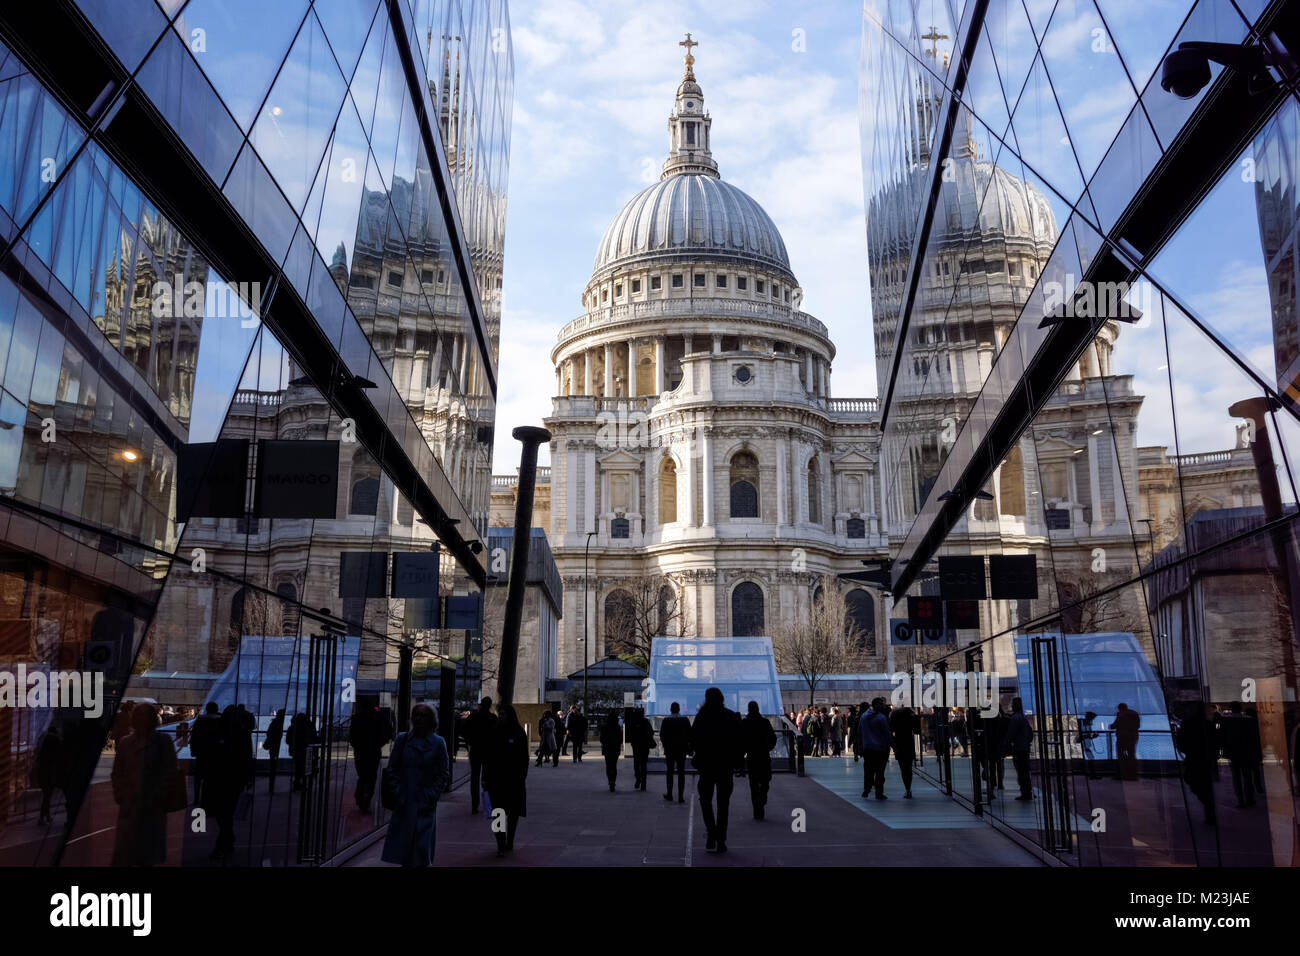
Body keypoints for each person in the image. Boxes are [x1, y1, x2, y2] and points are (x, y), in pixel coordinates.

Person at [380, 704, 451, 867]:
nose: (419, 718)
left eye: (423, 715)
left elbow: (443, 773)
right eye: (416, 715)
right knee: (404, 851)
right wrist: (398, 793)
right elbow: (392, 769)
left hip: (424, 804)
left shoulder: (439, 743)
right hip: (404, 803)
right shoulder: (402, 739)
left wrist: (431, 796)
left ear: (431, 720)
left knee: (421, 851)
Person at [110, 704, 178, 866]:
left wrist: (156, 795)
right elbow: (117, 772)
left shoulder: (130, 743)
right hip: (136, 804)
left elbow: (169, 772)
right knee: (135, 851)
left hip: (148, 804)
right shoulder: (159, 742)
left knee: (140, 852)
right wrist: (122, 795)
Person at [690, 687, 743, 852]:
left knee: (705, 800)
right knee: (723, 804)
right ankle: (721, 839)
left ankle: (711, 832)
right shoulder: (730, 716)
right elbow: (738, 741)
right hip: (725, 765)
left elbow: (694, 741)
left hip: (706, 765)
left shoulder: (702, 716)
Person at [205, 705, 254, 864]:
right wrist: (248, 777)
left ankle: (223, 843)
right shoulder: (243, 734)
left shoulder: (217, 732)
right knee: (227, 811)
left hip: (219, 778)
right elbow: (248, 757)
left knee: (222, 812)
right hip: (235, 778)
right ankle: (227, 839)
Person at [483, 705, 529, 856]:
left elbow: (524, 758)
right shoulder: (493, 732)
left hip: (513, 779)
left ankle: (509, 840)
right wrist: (485, 778)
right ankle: (501, 844)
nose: (500, 716)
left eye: (503, 714)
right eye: (499, 714)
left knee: (513, 813)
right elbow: (488, 758)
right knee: (498, 813)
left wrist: (522, 775)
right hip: (496, 780)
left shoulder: (519, 733)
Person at [1175, 703, 1217, 824]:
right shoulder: (1207, 724)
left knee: (1193, 782)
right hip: (1205, 759)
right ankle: (1209, 810)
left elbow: (1181, 741)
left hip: (1193, 758)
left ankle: (1208, 808)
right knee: (1203, 785)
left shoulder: (1188, 724)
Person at [349, 702, 393, 812]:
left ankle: (360, 797)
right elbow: (388, 732)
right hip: (374, 750)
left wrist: (357, 745)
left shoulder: (357, 718)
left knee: (362, 775)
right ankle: (366, 800)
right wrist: (380, 743)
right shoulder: (380, 717)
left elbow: (352, 737)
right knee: (371, 776)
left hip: (360, 751)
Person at [1221, 701, 1262, 807]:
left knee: (1236, 777)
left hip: (1233, 753)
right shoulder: (1250, 721)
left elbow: (1223, 738)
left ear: (1231, 709)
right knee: (1247, 776)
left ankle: (1240, 800)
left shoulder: (1226, 721)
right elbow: (1255, 738)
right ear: (1240, 708)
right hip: (1246, 752)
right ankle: (1250, 799)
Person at [741, 701, 776, 819]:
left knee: (753, 784)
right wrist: (767, 748)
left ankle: (757, 809)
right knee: (765, 780)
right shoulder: (765, 722)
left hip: (751, 757)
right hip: (763, 756)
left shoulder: (745, 723)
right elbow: (773, 738)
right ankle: (762, 798)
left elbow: (741, 741)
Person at [463, 697, 498, 814]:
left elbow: (465, 732)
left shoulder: (472, 717)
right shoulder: (493, 718)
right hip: (489, 751)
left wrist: (471, 742)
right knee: (487, 778)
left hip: (475, 750)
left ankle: (475, 805)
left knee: (474, 777)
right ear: (489, 705)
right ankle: (487, 805)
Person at [188, 701, 221, 805]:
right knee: (213, 777)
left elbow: (194, 737)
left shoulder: (200, 721)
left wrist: (193, 750)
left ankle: (197, 798)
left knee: (198, 777)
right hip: (215, 753)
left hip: (201, 753)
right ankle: (210, 799)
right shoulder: (220, 721)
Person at [859, 698, 891, 799]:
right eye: (881, 704)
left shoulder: (863, 716)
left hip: (868, 748)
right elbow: (887, 734)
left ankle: (866, 789)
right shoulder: (881, 718)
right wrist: (892, 746)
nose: (883, 706)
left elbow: (860, 732)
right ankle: (879, 792)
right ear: (877, 705)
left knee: (868, 770)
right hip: (880, 749)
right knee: (880, 772)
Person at [660, 701, 692, 802]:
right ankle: (680, 796)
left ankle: (670, 794)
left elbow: (662, 735)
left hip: (670, 750)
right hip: (681, 750)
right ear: (679, 709)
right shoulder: (685, 720)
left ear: (671, 709)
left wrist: (666, 746)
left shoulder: (666, 720)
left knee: (670, 772)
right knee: (681, 773)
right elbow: (690, 735)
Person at [1005, 697, 1034, 801]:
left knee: (1021, 771)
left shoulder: (1015, 718)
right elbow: (1030, 734)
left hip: (1019, 748)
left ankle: (1025, 792)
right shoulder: (1023, 718)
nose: (1012, 706)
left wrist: (1006, 744)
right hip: (1024, 747)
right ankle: (1028, 791)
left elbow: (1011, 734)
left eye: (1013, 704)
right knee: (1025, 771)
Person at [889, 704, 919, 798]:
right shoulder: (910, 717)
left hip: (899, 743)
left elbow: (891, 731)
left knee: (903, 768)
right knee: (908, 767)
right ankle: (908, 788)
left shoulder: (895, 717)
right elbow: (917, 730)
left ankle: (907, 788)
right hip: (909, 743)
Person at [286, 712, 317, 791]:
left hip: (296, 750)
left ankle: (297, 783)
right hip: (305, 750)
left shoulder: (292, 728)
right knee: (304, 767)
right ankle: (303, 783)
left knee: (298, 768)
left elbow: (288, 740)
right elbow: (313, 738)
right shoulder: (308, 727)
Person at [627, 709, 656, 790]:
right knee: (644, 765)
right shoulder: (646, 722)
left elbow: (630, 734)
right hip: (645, 746)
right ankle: (644, 783)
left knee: (636, 763)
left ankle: (638, 779)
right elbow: (651, 732)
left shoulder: (633, 722)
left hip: (636, 746)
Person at [1113, 703, 1140, 780]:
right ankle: (1133, 775)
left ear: (1120, 708)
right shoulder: (1134, 713)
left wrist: (1111, 726)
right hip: (1133, 737)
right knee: (1132, 755)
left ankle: (1122, 775)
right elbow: (1138, 726)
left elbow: (1115, 725)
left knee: (1121, 756)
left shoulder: (1121, 714)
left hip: (1122, 738)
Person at [262, 709, 285, 792]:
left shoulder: (274, 722)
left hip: (273, 746)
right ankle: (271, 785)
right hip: (275, 746)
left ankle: (271, 786)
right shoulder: (280, 723)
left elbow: (269, 733)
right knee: (273, 765)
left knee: (272, 764)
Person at [600, 714, 623, 791]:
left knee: (608, 765)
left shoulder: (604, 727)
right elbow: (620, 739)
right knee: (614, 765)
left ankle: (610, 780)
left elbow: (601, 739)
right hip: (615, 749)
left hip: (607, 748)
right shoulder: (617, 727)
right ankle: (613, 781)